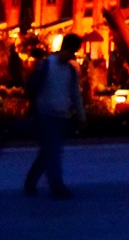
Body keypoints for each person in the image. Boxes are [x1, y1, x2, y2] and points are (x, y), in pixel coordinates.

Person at [24, 34, 86, 199]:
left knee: (48, 152)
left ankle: (30, 182)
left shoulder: (70, 70)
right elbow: (32, 86)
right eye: (71, 51)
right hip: (44, 114)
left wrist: (81, 114)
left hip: (61, 116)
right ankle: (57, 187)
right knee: (54, 151)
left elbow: (75, 94)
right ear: (65, 48)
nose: (71, 56)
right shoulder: (47, 65)